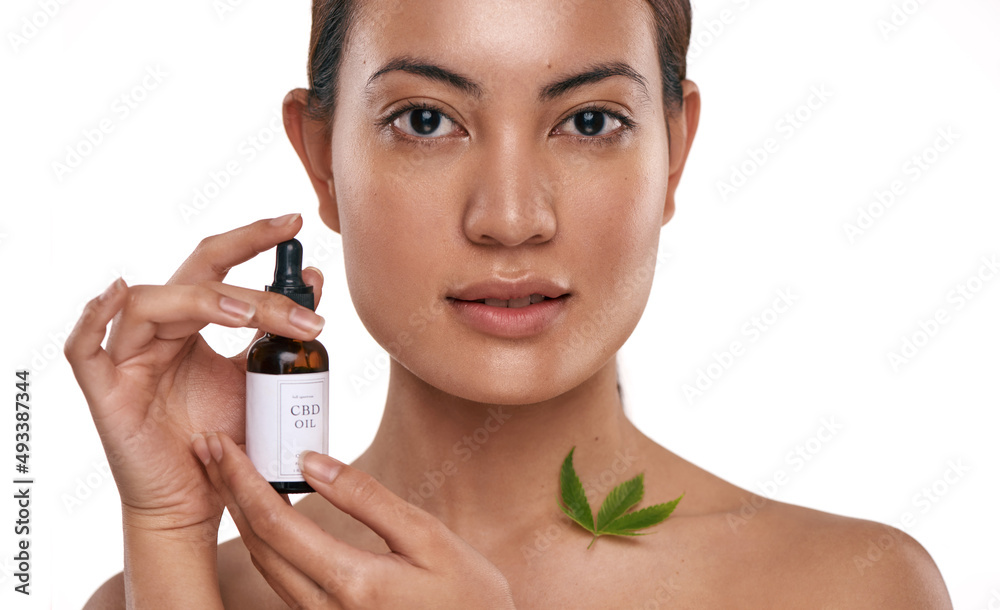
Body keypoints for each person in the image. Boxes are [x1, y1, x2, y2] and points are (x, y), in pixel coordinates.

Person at [66, 0, 954, 607]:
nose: (511, 218)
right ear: (321, 162)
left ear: (674, 154)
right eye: (425, 120)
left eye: (590, 121)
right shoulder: (165, 589)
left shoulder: (851, 588)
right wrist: (172, 534)